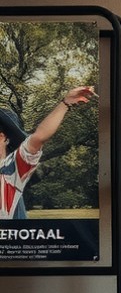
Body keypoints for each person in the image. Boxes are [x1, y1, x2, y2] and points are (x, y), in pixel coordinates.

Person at [0, 86, 95, 222]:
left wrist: (65, 103)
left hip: (11, 241)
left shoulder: (11, 169)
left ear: (3, 137)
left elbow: (38, 138)